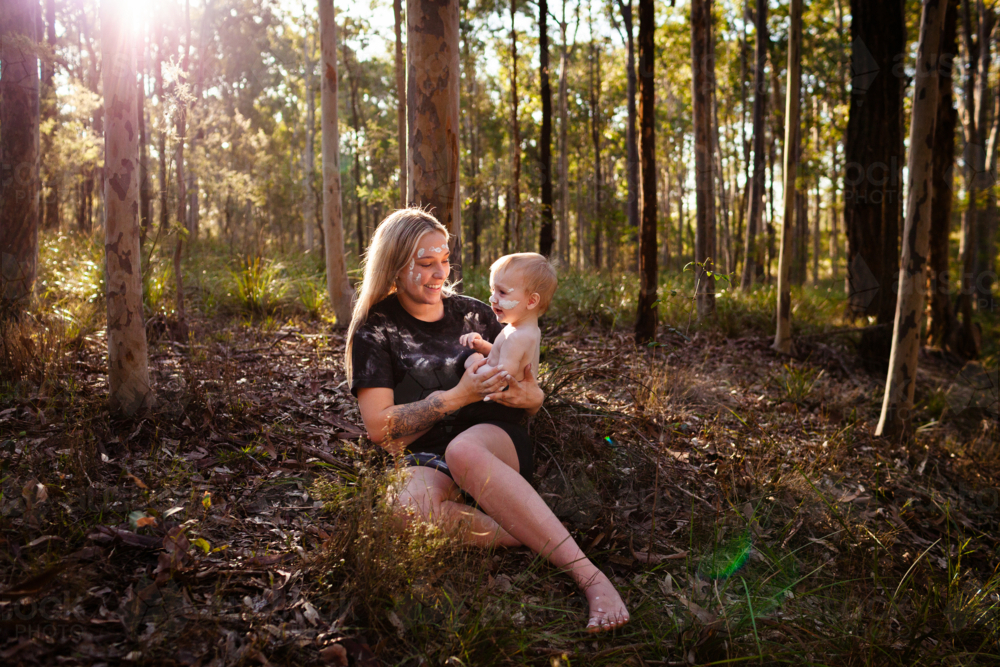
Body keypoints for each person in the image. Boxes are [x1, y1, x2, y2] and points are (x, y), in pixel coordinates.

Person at [346, 208, 629, 632]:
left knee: (464, 450)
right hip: (424, 454)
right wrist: (460, 394)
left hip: (492, 439)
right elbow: (378, 428)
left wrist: (534, 397)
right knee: (403, 514)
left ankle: (590, 577)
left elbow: (525, 392)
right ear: (395, 264)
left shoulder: (477, 314)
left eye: (444, 260)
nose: (440, 273)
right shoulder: (375, 330)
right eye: (426, 264)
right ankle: (521, 529)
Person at [460, 253, 555, 387]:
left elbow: (500, 380)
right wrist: (482, 346)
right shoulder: (526, 330)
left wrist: (475, 363)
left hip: (502, 405)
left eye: (502, 292)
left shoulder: (516, 338)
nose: (492, 299)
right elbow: (508, 357)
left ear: (532, 301)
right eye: (492, 290)